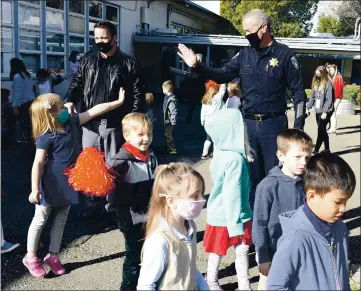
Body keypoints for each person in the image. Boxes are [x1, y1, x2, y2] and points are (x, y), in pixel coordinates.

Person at [177, 9, 307, 208]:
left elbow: (299, 93)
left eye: (250, 30)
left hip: (274, 125)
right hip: (248, 126)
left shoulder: (285, 55)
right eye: (244, 31)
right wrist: (196, 66)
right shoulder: (244, 55)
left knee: (280, 175)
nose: (247, 35)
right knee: (252, 179)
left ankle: (282, 222)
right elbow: (221, 74)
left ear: (264, 28)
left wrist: (297, 129)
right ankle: (256, 228)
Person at [23, 89, 125, 277]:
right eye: (61, 106)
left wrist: (118, 102)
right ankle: (31, 256)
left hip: (70, 181)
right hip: (50, 182)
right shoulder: (46, 136)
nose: (67, 108)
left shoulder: (71, 122)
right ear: (51, 114)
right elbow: (38, 163)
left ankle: (53, 256)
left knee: (61, 218)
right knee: (41, 218)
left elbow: (95, 110)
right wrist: (34, 188)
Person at [64, 20, 144, 213]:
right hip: (90, 122)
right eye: (97, 38)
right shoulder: (87, 60)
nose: (100, 41)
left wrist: (132, 122)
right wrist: (69, 100)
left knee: (114, 163)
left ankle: (114, 203)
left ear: (114, 38)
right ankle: (92, 200)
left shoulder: (128, 63)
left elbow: (137, 94)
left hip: (115, 123)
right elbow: (77, 84)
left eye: (104, 38)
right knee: (90, 162)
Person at [267, 153, 356, 290]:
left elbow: (342, 277)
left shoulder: (341, 229)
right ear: (312, 196)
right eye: (338, 202)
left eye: (346, 202)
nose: (343, 208)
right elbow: (276, 286)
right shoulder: (296, 237)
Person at [252, 129, 313, 290]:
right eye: (298, 157)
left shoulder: (307, 183)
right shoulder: (268, 186)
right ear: (281, 156)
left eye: (307, 157)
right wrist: (263, 256)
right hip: (273, 254)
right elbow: (259, 223)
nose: (303, 162)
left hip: (300, 252)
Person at [137, 162, 209, 290]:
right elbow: (146, 285)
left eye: (202, 194)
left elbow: (190, 266)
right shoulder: (159, 241)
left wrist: (204, 286)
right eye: (194, 195)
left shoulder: (190, 226)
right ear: (171, 201)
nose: (202, 200)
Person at [202, 109, 253, 290]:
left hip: (220, 213)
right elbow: (232, 195)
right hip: (235, 215)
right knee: (241, 250)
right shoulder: (235, 159)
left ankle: (212, 281)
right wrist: (235, 225)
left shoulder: (220, 153)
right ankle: (243, 284)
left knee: (217, 250)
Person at [108, 113, 158, 290]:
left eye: (149, 134)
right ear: (127, 136)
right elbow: (106, 185)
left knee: (151, 254)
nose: (146, 139)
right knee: (133, 257)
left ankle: (147, 285)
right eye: (141, 135)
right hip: (130, 218)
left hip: (150, 215)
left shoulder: (151, 156)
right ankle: (127, 287)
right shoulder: (120, 162)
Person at [306, 66, 334, 155]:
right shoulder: (316, 83)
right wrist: (308, 107)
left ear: (323, 74)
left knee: (320, 130)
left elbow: (329, 99)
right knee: (322, 131)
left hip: (326, 111)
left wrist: (325, 112)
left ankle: (316, 150)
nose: (317, 75)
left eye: (319, 74)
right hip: (318, 110)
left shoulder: (328, 84)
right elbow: (312, 96)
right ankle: (327, 149)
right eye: (316, 74)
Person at [9, 58, 35, 143]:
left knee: (19, 121)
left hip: (22, 103)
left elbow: (17, 92)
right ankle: (32, 139)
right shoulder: (27, 75)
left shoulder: (17, 76)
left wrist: (15, 106)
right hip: (30, 101)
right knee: (28, 122)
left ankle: (19, 138)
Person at [200, 82, 226, 159]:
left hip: (208, 122)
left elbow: (202, 113)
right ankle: (215, 153)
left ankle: (204, 154)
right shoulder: (217, 99)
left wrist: (203, 122)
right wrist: (222, 81)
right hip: (216, 122)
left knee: (208, 138)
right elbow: (223, 90)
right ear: (215, 92)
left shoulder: (205, 101)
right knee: (216, 139)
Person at [186, 53, 207, 124]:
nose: (197, 60)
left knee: (204, 105)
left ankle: (204, 120)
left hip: (201, 89)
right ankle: (188, 118)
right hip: (193, 89)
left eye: (198, 59)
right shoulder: (193, 67)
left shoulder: (204, 68)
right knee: (191, 105)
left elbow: (201, 77)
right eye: (196, 59)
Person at [328, 64, 345, 135]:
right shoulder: (337, 77)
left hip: (337, 97)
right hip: (338, 97)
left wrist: (333, 99)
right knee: (333, 113)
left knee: (333, 113)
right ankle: (332, 128)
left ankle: (333, 129)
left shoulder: (337, 78)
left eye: (331, 70)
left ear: (335, 70)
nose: (330, 71)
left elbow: (337, 90)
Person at [162, 80, 177, 155]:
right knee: (167, 134)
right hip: (167, 120)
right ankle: (169, 146)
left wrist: (173, 121)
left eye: (163, 89)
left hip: (170, 121)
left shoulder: (171, 99)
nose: (162, 90)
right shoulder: (167, 97)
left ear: (167, 89)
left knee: (169, 134)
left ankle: (172, 149)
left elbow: (173, 111)